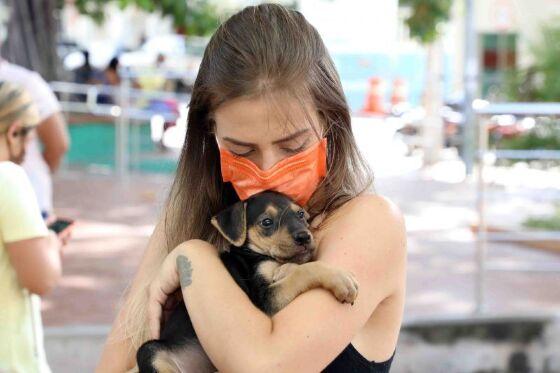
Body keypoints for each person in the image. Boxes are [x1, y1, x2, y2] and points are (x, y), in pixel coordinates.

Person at [97, 4, 407, 372]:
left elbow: (266, 365)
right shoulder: (189, 214)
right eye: (242, 150)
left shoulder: (370, 223)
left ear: (330, 121)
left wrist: (194, 257)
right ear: (211, 136)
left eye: (292, 147)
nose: (269, 171)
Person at [0, 81, 66, 372]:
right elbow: (42, 279)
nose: (30, 151)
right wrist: (51, 242)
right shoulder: (8, 178)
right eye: (30, 138)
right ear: (14, 131)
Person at [0, 58, 70, 219]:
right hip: (32, 200)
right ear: (14, 133)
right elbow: (59, 144)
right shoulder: (26, 81)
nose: (30, 138)